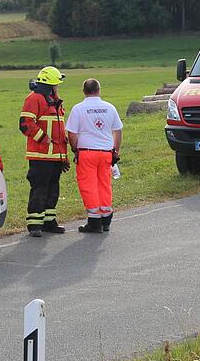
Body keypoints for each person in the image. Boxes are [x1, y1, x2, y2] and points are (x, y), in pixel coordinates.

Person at [65, 78, 123, 234]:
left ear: (84, 91)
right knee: (104, 184)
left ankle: (94, 221)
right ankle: (106, 219)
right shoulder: (109, 107)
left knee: (88, 185)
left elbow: (72, 133)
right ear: (99, 90)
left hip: (87, 152)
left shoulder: (78, 109)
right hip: (106, 153)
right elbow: (117, 131)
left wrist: (75, 149)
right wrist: (116, 151)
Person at [19, 66, 69, 236]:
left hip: (55, 157)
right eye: (57, 84)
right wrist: (43, 138)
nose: (58, 87)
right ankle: (34, 224)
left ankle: (49, 221)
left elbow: (60, 133)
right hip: (40, 155)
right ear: (50, 84)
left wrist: (64, 157)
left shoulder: (54, 101)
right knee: (39, 189)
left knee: (53, 189)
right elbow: (25, 124)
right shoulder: (34, 99)